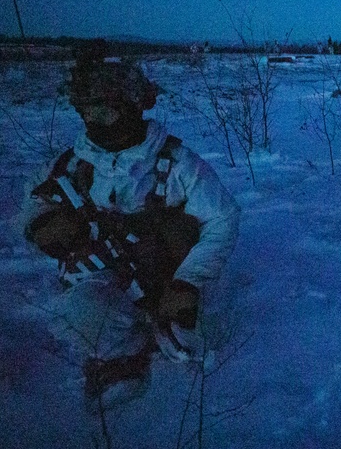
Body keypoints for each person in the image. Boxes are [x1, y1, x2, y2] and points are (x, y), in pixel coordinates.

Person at [24, 43, 241, 406]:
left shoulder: (177, 162)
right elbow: (32, 204)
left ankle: (167, 326)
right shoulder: (73, 164)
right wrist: (42, 225)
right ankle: (122, 359)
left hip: (171, 277)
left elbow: (223, 217)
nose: (96, 122)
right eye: (88, 112)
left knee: (193, 342)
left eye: (106, 112)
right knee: (81, 311)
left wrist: (188, 282)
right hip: (100, 277)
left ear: (130, 108)